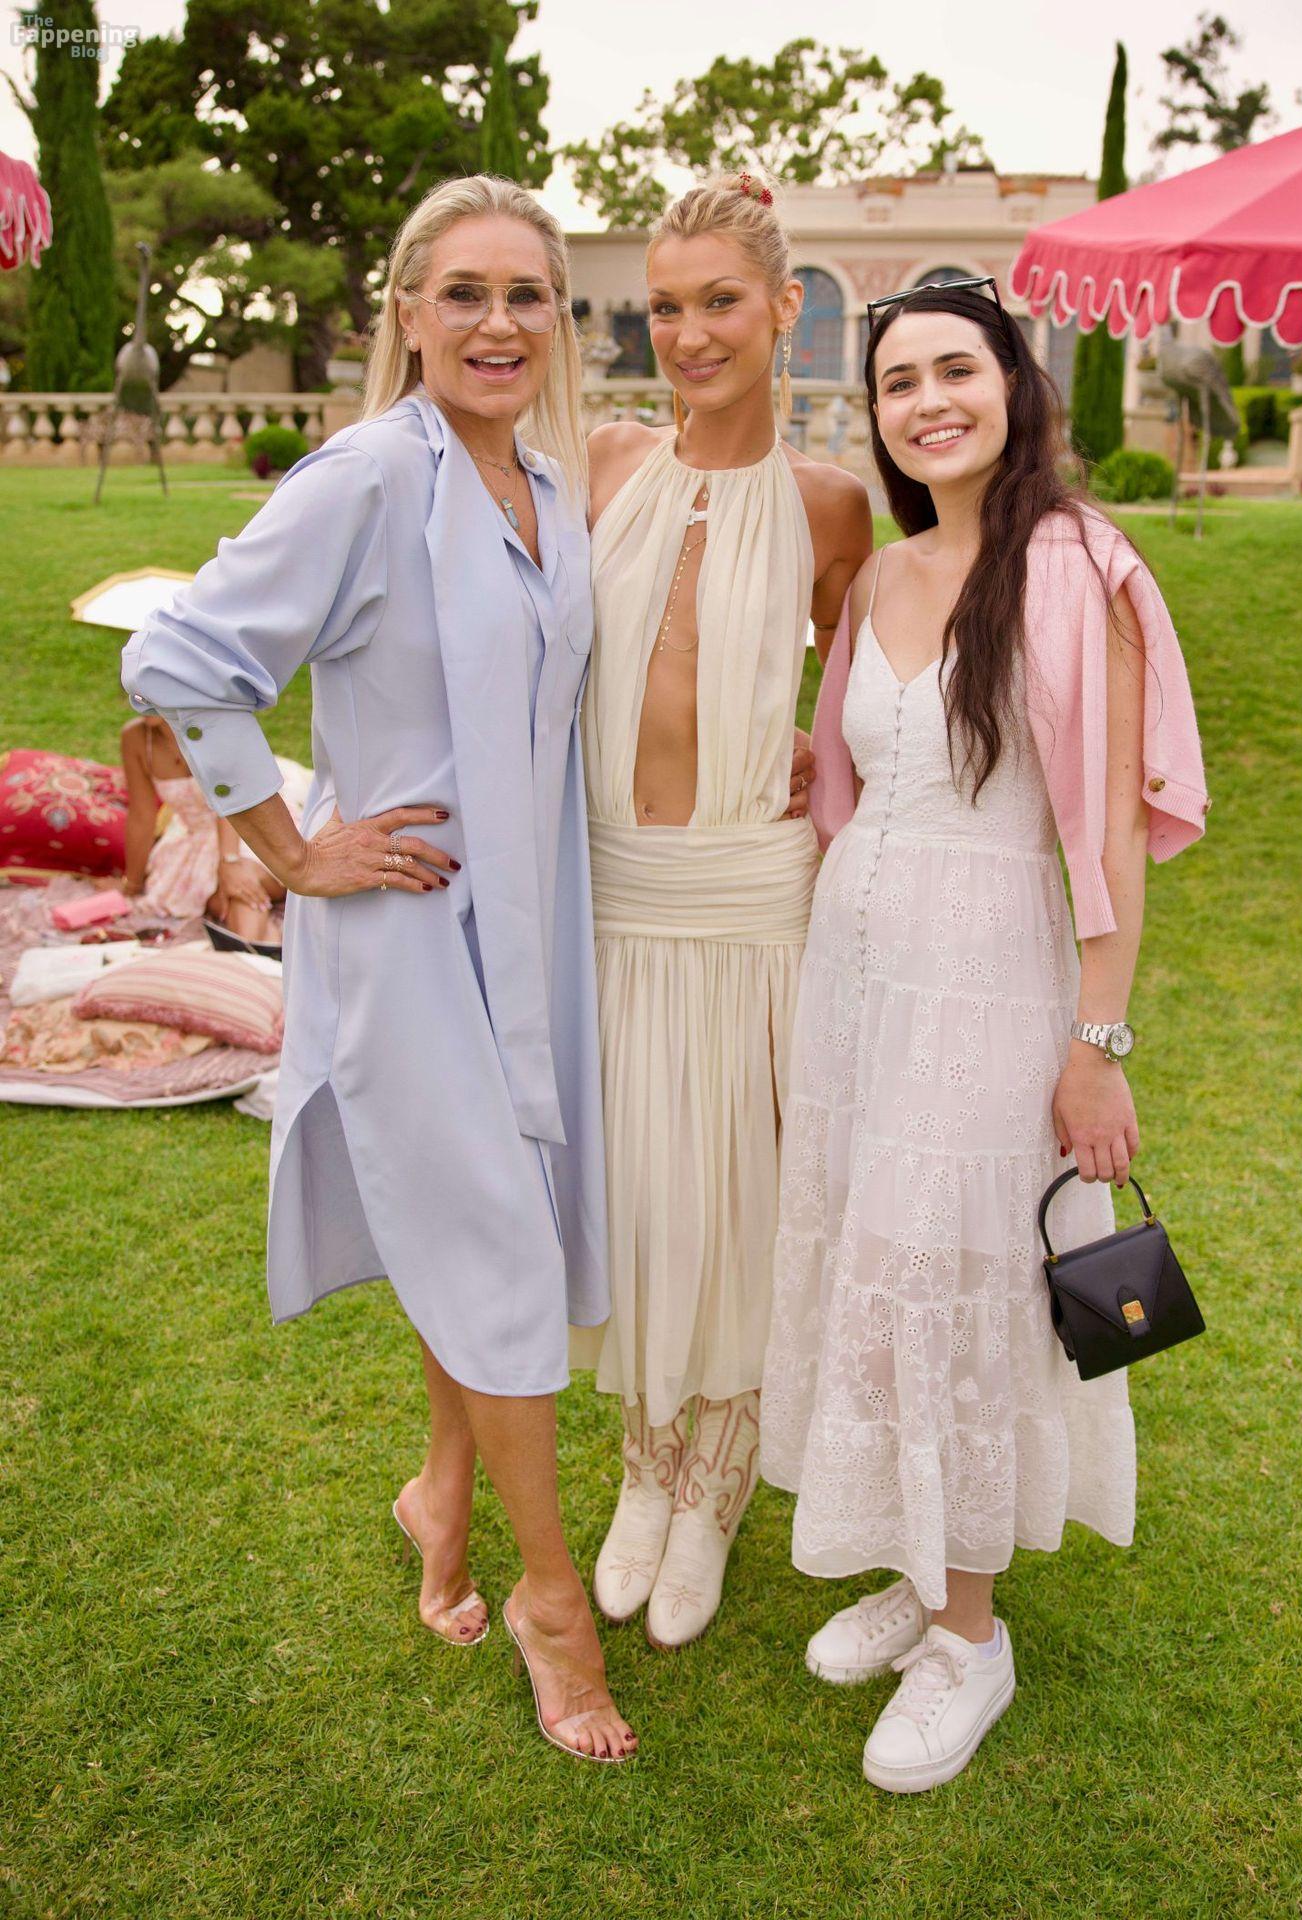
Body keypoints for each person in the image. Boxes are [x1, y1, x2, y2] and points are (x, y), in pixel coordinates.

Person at [120, 174, 636, 1763]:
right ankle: (553, 1596)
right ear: (407, 313)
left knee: (492, 1222)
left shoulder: (541, 482)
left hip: (529, 920)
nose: (498, 323)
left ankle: (442, 1493)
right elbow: (181, 658)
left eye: (526, 294)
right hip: (410, 928)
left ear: (558, 318)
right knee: (499, 1246)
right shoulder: (364, 475)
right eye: (463, 292)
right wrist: (288, 850)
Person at [760, 280, 1209, 1792]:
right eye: (897, 382)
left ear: (1015, 384)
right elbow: (854, 784)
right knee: (873, 1258)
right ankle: (918, 1562)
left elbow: (1113, 834)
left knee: (954, 1274)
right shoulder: (880, 578)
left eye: (956, 368)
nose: (927, 401)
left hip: (993, 975)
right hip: (856, 978)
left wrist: (1097, 1040)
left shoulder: (1081, 568)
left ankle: (971, 1637)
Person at [576, 171, 872, 1650]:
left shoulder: (833, 507)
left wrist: (809, 750)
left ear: (783, 308)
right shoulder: (601, 462)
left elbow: (874, 706)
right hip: (616, 894)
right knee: (641, 1193)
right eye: (665, 307)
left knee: (747, 1197)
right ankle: (645, 1465)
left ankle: (717, 1481)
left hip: (757, 904)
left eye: (719, 303)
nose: (688, 334)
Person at [120, 713, 284, 938]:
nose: (141, 699)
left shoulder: (214, 723)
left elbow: (233, 800)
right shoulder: (137, 737)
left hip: (245, 822)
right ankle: (264, 946)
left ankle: (249, 947)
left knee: (242, 881)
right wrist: (133, 884)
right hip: (194, 841)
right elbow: (142, 815)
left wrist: (230, 862)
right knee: (221, 899)